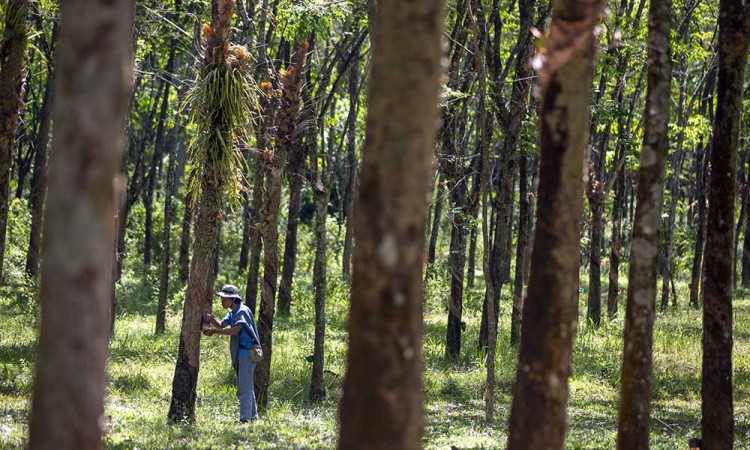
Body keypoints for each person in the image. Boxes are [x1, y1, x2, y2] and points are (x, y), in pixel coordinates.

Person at [203, 284, 260, 423]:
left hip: (247, 354)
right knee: (248, 387)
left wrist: (215, 332)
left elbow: (235, 330)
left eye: (224, 299)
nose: (222, 301)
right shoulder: (233, 311)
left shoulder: (242, 312)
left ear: (233, 299)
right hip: (241, 354)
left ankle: (244, 420)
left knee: (243, 389)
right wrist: (211, 320)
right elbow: (222, 324)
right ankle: (253, 417)